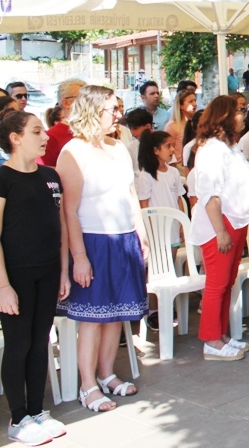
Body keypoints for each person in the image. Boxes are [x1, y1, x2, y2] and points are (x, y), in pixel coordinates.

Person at [56, 86, 147, 408]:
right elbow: (68, 210)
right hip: (93, 241)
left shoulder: (119, 147)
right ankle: (87, 385)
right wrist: (79, 257)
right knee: (92, 319)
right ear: (93, 111)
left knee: (116, 314)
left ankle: (107, 373)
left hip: (124, 238)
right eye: (112, 109)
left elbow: (130, 195)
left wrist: (141, 233)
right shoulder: (73, 152)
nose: (118, 114)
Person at [0, 112, 71, 443]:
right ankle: (18, 418)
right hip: (15, 276)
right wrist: (3, 286)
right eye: (36, 131)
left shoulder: (51, 175)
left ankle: (36, 410)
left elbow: (60, 225)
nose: (44, 137)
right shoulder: (4, 178)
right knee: (19, 343)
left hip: (48, 271)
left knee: (42, 340)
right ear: (15, 138)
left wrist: (63, 271)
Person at [190, 95, 249, 361]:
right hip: (220, 223)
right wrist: (220, 231)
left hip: (236, 220)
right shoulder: (211, 149)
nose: (243, 115)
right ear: (225, 117)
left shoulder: (230, 146)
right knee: (217, 284)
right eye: (239, 111)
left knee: (227, 282)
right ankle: (211, 341)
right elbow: (209, 195)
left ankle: (221, 334)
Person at [136, 130, 186, 214]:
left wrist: (182, 223)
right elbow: (144, 205)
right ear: (156, 150)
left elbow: (179, 199)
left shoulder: (174, 172)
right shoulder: (146, 176)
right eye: (168, 146)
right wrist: (151, 226)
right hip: (158, 225)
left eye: (173, 145)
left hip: (175, 224)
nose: (172, 149)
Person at [41, 78, 85, 167]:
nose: (89, 103)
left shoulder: (94, 131)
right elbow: (44, 170)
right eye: (83, 98)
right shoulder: (51, 137)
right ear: (66, 103)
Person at [163, 88, 197, 165]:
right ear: (181, 106)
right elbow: (166, 149)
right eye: (190, 101)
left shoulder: (196, 123)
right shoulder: (172, 126)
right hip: (180, 166)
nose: (195, 104)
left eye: (195, 100)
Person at [123, 108, 154, 173]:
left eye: (135, 128)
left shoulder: (161, 141)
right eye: (130, 129)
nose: (132, 132)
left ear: (148, 126)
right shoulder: (131, 148)